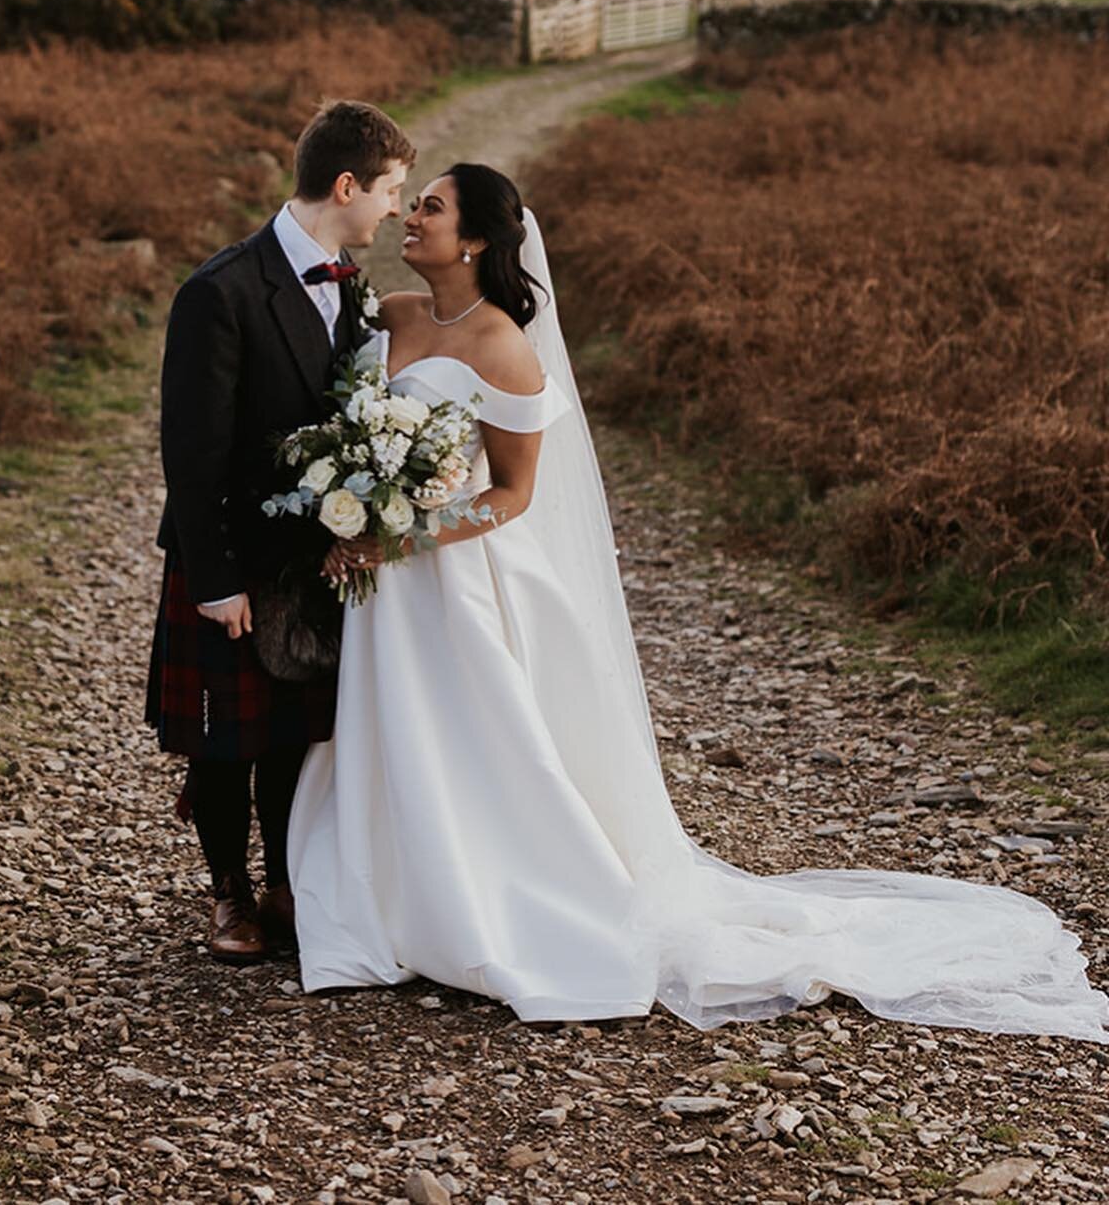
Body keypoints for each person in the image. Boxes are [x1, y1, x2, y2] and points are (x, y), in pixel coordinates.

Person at [287, 162, 1109, 1042]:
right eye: (413, 204)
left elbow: (515, 495)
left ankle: (482, 904)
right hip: (382, 586)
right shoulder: (392, 315)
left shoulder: (504, 346)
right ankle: (379, 897)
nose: (413, 218)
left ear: (478, 239)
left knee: (470, 734)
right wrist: (356, 497)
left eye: (433, 208)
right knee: (383, 727)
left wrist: (404, 532)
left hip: (453, 577)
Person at [146, 100, 412, 964]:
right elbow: (190, 457)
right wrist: (217, 581)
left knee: (295, 737)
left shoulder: (350, 282)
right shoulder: (218, 292)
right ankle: (228, 891)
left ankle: (288, 882)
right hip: (228, 557)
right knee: (225, 742)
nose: (396, 212)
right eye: (391, 192)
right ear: (346, 185)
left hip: (310, 557)